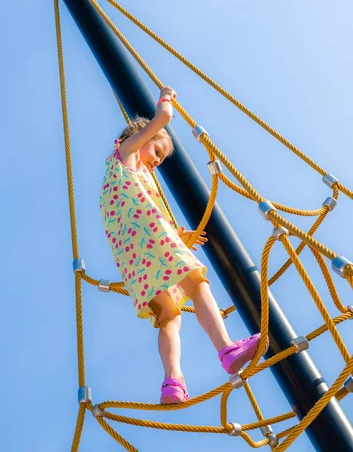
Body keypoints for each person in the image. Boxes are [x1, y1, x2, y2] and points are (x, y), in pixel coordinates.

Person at [100, 86, 268, 404]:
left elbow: (137, 211)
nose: (158, 161)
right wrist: (166, 97)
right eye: (158, 151)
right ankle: (226, 348)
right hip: (151, 242)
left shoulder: (122, 178)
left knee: (170, 318)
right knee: (197, 283)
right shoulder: (125, 154)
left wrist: (177, 235)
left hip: (136, 263)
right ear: (139, 138)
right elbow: (162, 117)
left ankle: (172, 382)